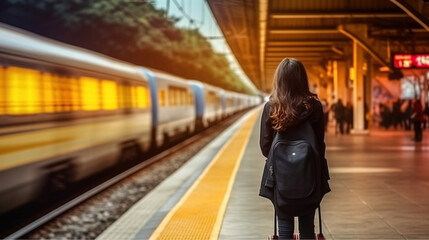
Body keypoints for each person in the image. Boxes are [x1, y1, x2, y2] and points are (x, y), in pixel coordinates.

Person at [259, 58, 331, 240]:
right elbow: (319, 142)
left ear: (279, 80)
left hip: (281, 175)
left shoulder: (272, 106)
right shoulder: (314, 106)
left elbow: (265, 145)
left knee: (284, 223)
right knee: (307, 223)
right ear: (302, 79)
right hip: (309, 172)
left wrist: (283, 161)